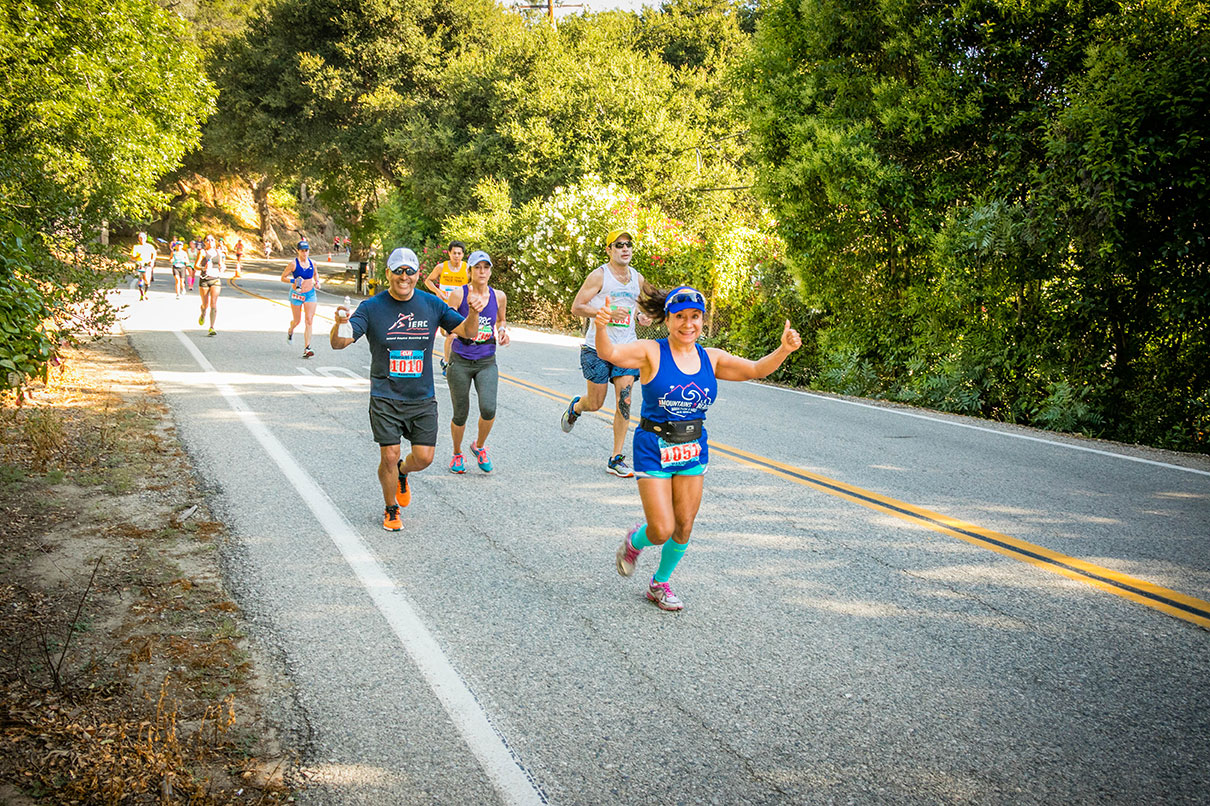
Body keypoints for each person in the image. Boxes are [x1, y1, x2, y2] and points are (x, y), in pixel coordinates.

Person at [594, 285, 802, 610]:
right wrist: (601, 327)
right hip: (653, 446)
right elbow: (611, 354)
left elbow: (756, 369)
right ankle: (635, 541)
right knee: (661, 529)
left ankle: (659, 584)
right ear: (667, 319)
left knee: (684, 525)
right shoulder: (651, 352)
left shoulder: (712, 358)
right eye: (680, 317)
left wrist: (784, 350)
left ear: (702, 320)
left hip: (692, 447)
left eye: (695, 317)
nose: (688, 324)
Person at [330, 246, 484, 532]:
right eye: (398, 271)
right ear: (387, 273)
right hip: (385, 395)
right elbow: (339, 343)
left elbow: (468, 332)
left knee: (424, 458)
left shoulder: (431, 305)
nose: (404, 276)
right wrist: (339, 324)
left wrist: (474, 313)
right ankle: (391, 508)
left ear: (417, 275)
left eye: (410, 271)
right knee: (388, 454)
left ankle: (403, 472)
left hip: (422, 398)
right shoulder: (371, 308)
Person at [560, 230, 652, 478]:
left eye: (628, 245)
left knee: (626, 400)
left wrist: (644, 317)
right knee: (596, 403)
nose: (625, 249)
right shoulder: (599, 275)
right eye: (619, 245)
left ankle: (616, 457)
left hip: (626, 349)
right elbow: (577, 307)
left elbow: (644, 307)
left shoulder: (637, 278)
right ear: (609, 250)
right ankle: (577, 407)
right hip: (597, 348)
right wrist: (607, 314)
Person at [444, 250, 509, 474]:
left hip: (486, 358)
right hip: (461, 358)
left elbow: (501, 319)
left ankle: (479, 446)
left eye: (486, 267)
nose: (482, 272)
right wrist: (467, 320)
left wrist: (502, 331)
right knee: (460, 412)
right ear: (469, 270)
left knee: (489, 408)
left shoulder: (498, 296)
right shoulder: (458, 295)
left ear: (490, 271)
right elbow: (447, 327)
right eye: (477, 267)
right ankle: (457, 453)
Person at [422, 240, 468, 375]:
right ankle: (447, 363)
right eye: (454, 253)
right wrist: (437, 291)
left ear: (463, 255)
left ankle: (451, 362)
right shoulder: (442, 268)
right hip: (445, 307)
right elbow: (428, 280)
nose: (456, 256)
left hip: (461, 307)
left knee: (459, 335)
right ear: (449, 253)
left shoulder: (467, 269)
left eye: (459, 253)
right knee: (450, 334)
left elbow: (473, 284)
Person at [282, 239, 320, 358]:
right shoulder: (293, 264)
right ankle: (291, 330)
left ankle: (307, 347)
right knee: (297, 321)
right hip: (296, 294)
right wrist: (294, 280)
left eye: (306, 250)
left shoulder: (312, 263)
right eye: (302, 251)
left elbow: (315, 274)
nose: (305, 253)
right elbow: (283, 278)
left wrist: (317, 282)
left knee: (309, 320)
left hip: (310, 294)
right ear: (298, 251)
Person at [194, 234, 225, 335]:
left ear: (214, 241)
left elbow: (221, 263)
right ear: (205, 242)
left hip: (215, 279)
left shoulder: (218, 252)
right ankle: (203, 313)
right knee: (205, 304)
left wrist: (222, 267)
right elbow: (196, 266)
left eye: (212, 239)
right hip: (204, 280)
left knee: (213, 304)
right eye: (208, 240)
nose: (210, 241)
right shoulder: (202, 252)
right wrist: (203, 268)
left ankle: (212, 327)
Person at [130, 232, 156, 301]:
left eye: (143, 238)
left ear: (146, 238)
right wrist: (137, 256)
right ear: (138, 238)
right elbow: (132, 257)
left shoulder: (150, 246)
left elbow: (154, 254)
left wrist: (152, 261)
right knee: (141, 279)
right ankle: (142, 295)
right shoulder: (136, 247)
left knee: (147, 280)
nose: (142, 239)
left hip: (147, 265)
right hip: (140, 265)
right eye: (140, 238)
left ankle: (145, 292)